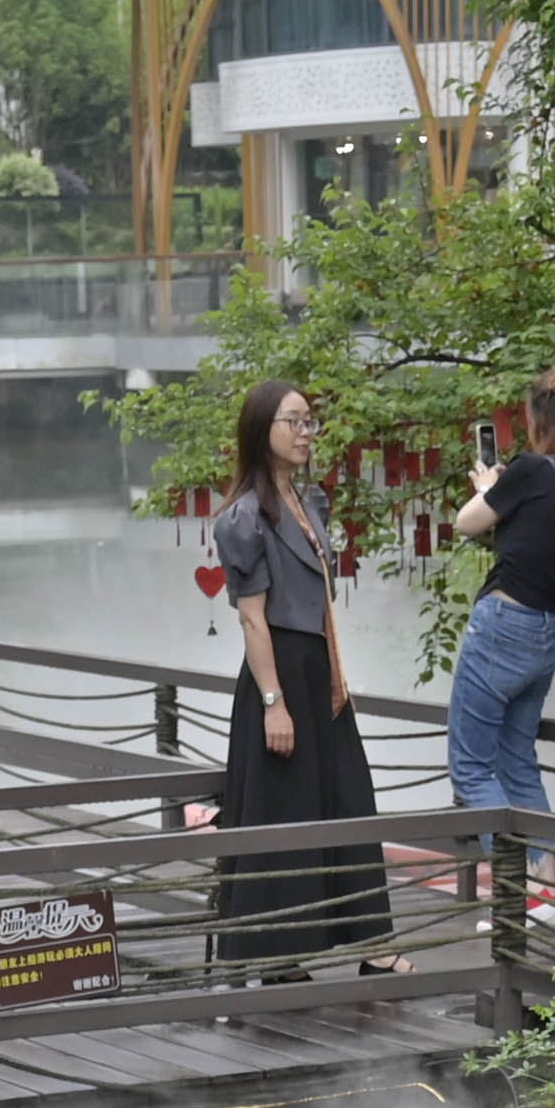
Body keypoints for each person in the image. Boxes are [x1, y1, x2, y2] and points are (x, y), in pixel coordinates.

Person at [203, 380, 384, 978]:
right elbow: (253, 621)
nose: (306, 433)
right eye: (294, 421)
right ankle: (278, 958)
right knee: (284, 813)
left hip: (322, 671)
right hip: (278, 671)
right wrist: (273, 703)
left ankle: (373, 948)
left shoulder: (311, 501)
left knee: (349, 800)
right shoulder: (242, 517)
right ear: (263, 430)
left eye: (310, 421)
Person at [443, 384, 555, 861]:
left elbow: (467, 523)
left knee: (471, 768)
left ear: (543, 423)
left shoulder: (531, 470)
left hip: (502, 624)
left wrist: (489, 488)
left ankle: (523, 888)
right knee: (517, 764)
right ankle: (545, 890)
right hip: (544, 634)